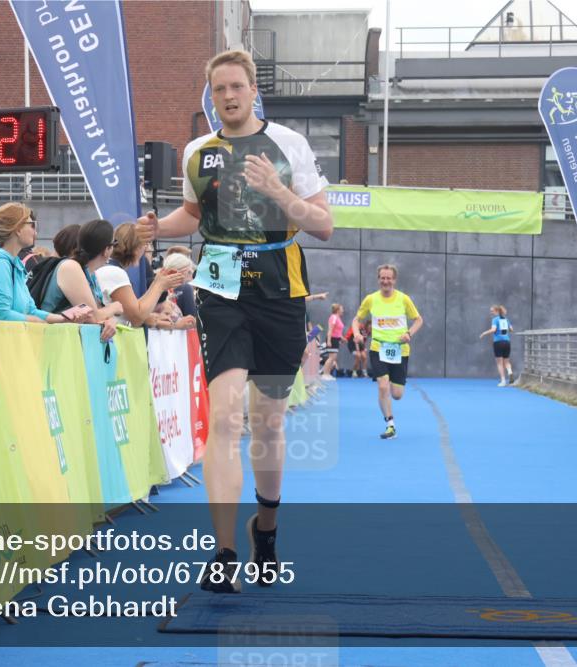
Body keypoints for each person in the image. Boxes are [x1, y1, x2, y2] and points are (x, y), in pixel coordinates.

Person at [136, 49, 332, 593]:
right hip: (219, 290)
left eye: (237, 87)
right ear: (211, 94)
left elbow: (324, 225)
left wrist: (278, 190)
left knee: (267, 422)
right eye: (219, 89)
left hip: (280, 288)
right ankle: (223, 552)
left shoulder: (288, 144)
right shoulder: (199, 153)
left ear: (252, 91)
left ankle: (264, 530)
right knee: (223, 419)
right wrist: (159, 228)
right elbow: (194, 217)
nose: (228, 97)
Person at [352, 264, 423, 440]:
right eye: (382, 278)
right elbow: (356, 319)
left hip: (400, 350)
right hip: (378, 348)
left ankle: (390, 391)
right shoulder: (371, 299)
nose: (385, 281)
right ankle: (390, 425)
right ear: (378, 279)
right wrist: (355, 333)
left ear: (394, 280)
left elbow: (418, 320)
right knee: (382, 386)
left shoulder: (404, 299)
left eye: (388, 278)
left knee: (397, 395)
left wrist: (409, 333)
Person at [0, 203, 72, 323]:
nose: (35, 232)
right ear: (18, 229)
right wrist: (37, 322)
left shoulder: (13, 263)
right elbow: (1, 315)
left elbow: (30, 310)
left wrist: (65, 318)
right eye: (32, 225)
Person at [36, 223, 118, 341]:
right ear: (106, 250)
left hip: (64, 343)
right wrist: (115, 307)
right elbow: (93, 316)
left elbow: (98, 315)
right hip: (52, 343)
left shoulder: (89, 273)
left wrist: (110, 320)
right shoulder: (70, 267)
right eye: (114, 243)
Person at [97, 222, 185, 327]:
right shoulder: (114, 272)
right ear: (137, 247)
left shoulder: (109, 268)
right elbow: (137, 318)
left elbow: (135, 309)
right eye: (146, 244)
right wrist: (159, 286)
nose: (146, 249)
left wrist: (157, 282)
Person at [480, 304, 514, 386]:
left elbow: (493, 329)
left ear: (497, 311)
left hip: (498, 342)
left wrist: (484, 333)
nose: (491, 312)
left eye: (492, 311)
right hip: (507, 342)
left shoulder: (495, 319)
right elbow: (511, 329)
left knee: (499, 363)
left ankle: (503, 381)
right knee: (507, 361)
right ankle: (510, 372)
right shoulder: (506, 319)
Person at [321, 303, 345, 380]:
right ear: (338, 310)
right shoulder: (333, 317)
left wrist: (342, 338)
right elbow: (330, 330)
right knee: (331, 358)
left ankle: (327, 374)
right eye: (342, 309)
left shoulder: (338, 318)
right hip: (332, 339)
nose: (343, 310)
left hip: (336, 339)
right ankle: (324, 374)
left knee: (333, 358)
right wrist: (329, 341)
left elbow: (337, 331)